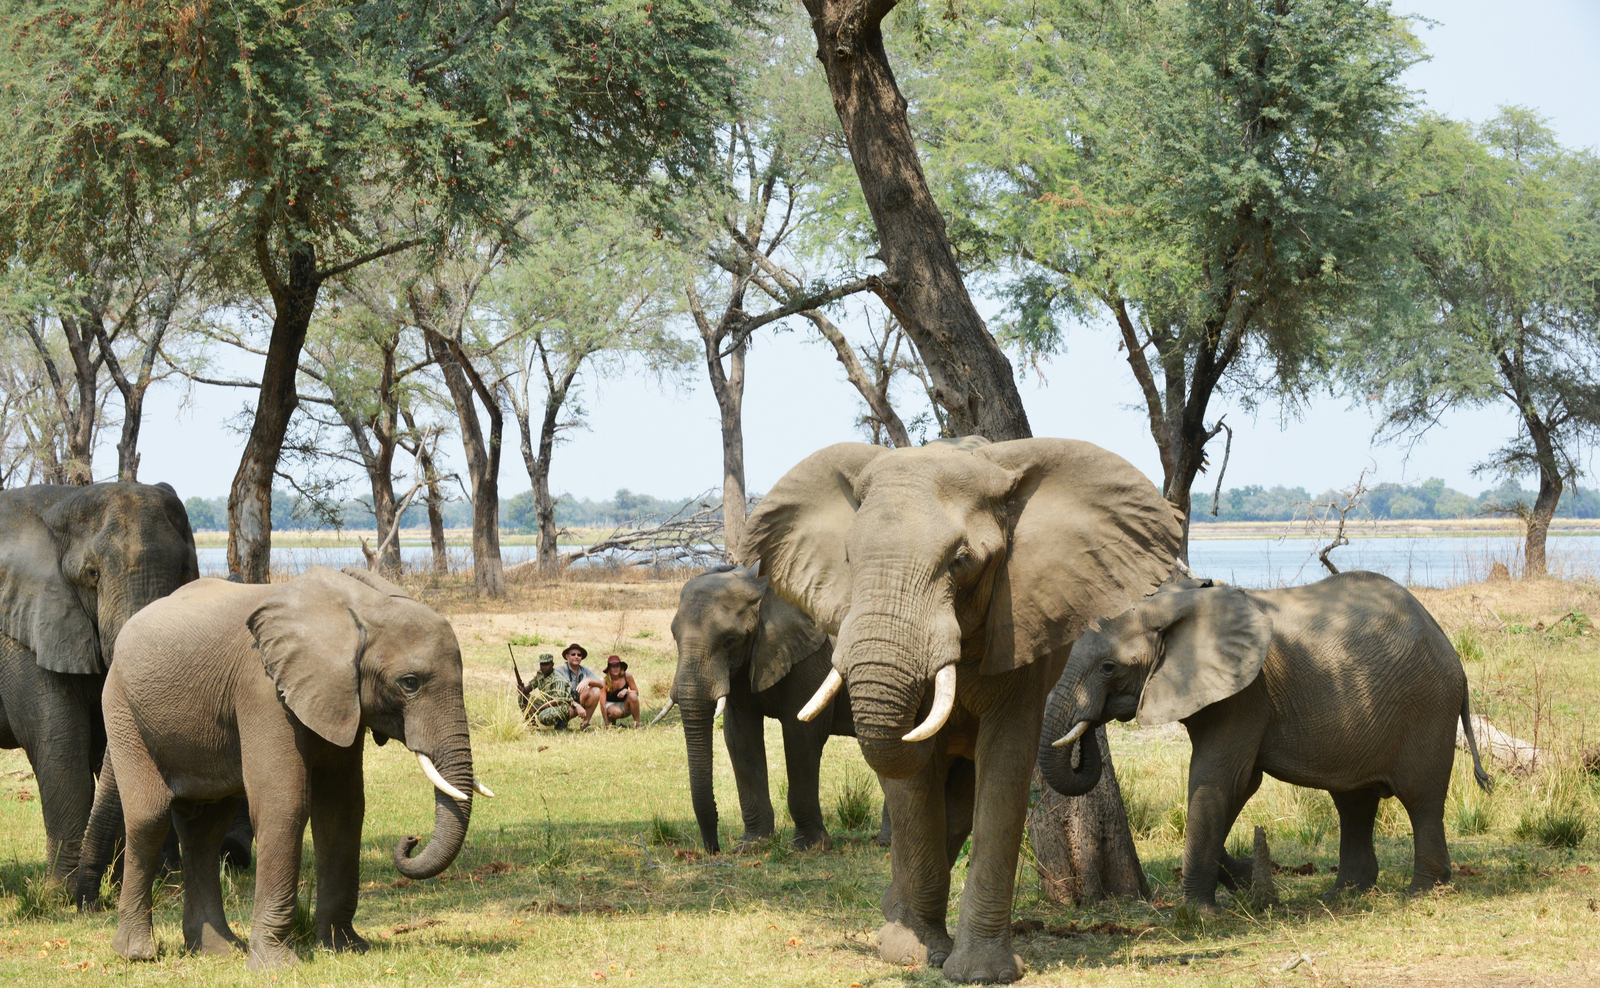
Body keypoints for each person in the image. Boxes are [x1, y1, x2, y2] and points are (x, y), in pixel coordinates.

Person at [523, 654, 575, 729]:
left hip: (561, 706)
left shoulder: (558, 680)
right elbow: (529, 688)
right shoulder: (540, 674)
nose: (544, 667)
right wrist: (522, 689)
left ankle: (561, 721)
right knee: (522, 697)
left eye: (547, 664)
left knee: (543, 717)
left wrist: (537, 708)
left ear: (552, 664)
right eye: (542, 664)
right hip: (547, 703)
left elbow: (557, 701)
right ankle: (531, 724)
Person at [558, 643, 603, 729]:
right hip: (563, 702)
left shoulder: (584, 670)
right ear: (567, 656)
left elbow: (602, 684)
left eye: (579, 655)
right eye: (573, 654)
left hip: (577, 701)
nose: (576, 656)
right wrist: (576, 705)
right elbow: (559, 695)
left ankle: (585, 724)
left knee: (595, 690)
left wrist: (588, 680)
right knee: (568, 710)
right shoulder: (560, 670)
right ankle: (561, 721)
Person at [601, 655, 642, 727]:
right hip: (610, 705)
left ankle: (637, 723)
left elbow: (636, 692)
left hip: (624, 704)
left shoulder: (627, 676)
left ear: (621, 667)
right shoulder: (605, 681)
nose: (615, 668)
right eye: (613, 667)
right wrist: (606, 723)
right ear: (609, 669)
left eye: (617, 666)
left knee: (633, 695)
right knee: (616, 712)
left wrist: (626, 690)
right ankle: (611, 721)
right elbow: (602, 703)